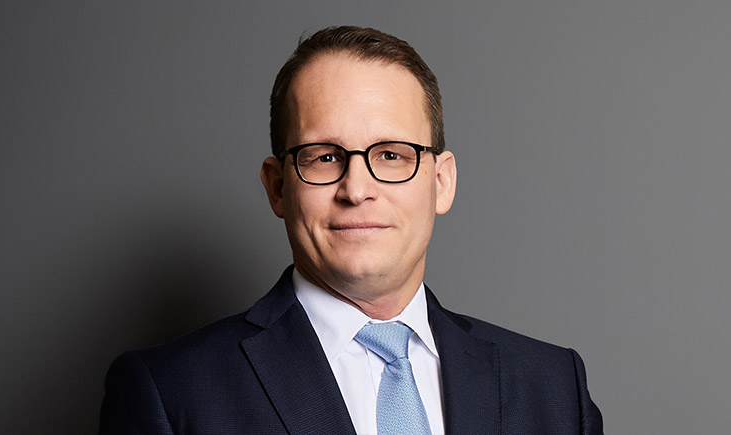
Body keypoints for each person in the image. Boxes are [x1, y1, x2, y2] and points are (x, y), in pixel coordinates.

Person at [99, 26, 603, 434]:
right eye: (324, 157)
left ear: (442, 182)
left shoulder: (554, 388)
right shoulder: (170, 393)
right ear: (278, 187)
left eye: (391, 155)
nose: (357, 189)